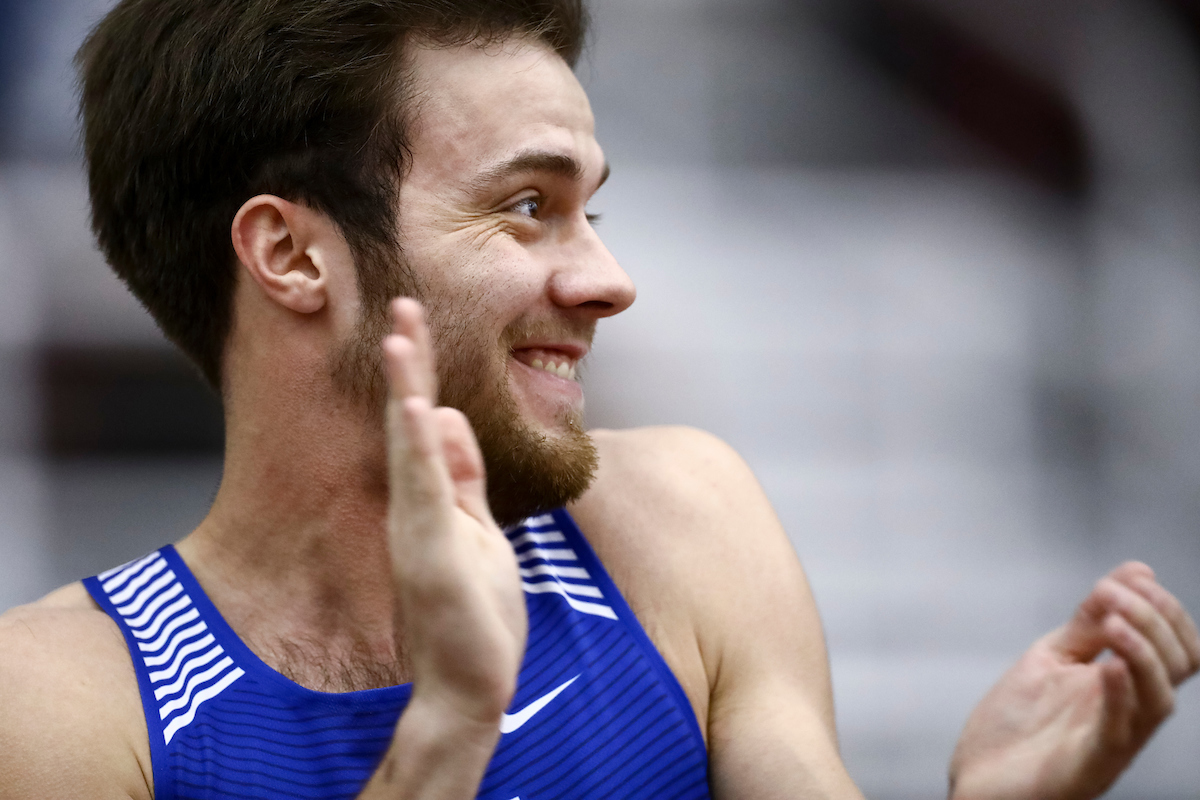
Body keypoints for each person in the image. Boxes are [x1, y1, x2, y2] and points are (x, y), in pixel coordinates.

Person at [1, 0, 1197, 798]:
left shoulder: (679, 519)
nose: (609, 281)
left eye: (594, 211)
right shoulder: (61, 703)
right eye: (528, 206)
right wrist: (449, 724)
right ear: (292, 254)